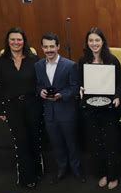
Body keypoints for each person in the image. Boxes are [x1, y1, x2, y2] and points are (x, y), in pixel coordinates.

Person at [0, 27, 42, 189]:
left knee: (34, 138)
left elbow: (39, 82)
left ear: (24, 41)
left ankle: (37, 172)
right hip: (12, 106)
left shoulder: (34, 59)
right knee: (21, 140)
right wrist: (0, 110)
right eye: (13, 39)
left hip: (32, 104)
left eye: (19, 39)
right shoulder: (0, 62)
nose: (16, 42)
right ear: (8, 42)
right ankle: (26, 176)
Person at [35, 32, 85, 184]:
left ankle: (76, 170)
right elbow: (37, 84)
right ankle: (62, 169)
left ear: (58, 47)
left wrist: (61, 95)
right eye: (46, 47)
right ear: (42, 48)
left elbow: (75, 88)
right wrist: (40, 91)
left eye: (52, 46)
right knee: (56, 143)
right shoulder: (38, 66)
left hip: (66, 111)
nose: (49, 49)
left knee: (72, 143)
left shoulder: (70, 65)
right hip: (49, 113)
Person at [78, 27, 121, 190]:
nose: (94, 43)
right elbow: (79, 82)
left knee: (111, 142)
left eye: (97, 40)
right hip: (90, 107)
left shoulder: (112, 60)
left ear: (103, 42)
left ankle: (113, 175)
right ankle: (103, 173)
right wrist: (80, 89)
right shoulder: (83, 61)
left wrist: (117, 96)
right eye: (91, 40)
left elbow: (119, 82)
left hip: (109, 107)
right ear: (87, 43)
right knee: (96, 143)